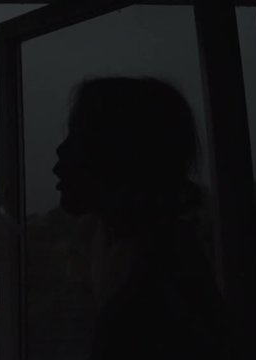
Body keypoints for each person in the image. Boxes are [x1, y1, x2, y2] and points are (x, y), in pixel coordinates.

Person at [52, 77, 236, 359]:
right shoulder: (158, 253)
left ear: (119, 152)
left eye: (77, 135)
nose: (60, 150)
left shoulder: (148, 300)